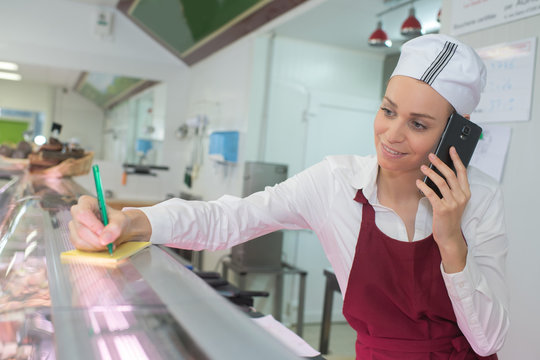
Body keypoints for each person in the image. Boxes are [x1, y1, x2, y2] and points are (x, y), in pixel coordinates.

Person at [69, 34, 509, 359]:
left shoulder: (482, 199)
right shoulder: (335, 182)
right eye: (387, 110)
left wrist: (451, 239)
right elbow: (234, 218)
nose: (391, 135)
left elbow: (488, 338)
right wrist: (132, 220)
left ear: (459, 130)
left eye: (418, 124)